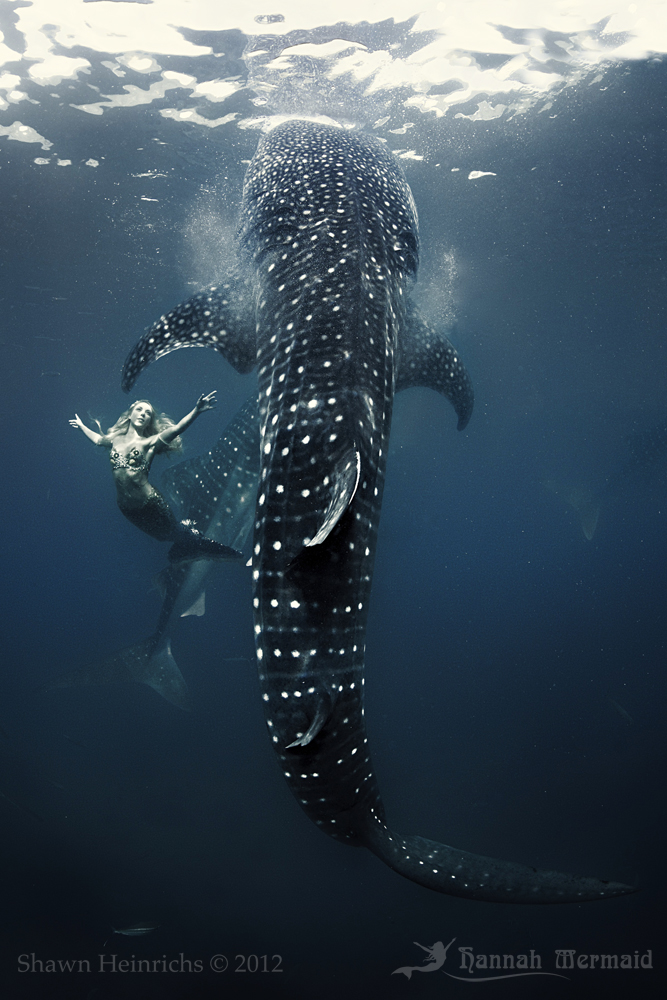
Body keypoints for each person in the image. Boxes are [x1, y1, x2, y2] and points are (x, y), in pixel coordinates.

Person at [70, 393, 242, 563]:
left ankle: (200, 541)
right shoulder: (115, 440)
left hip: (150, 504)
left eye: (148, 414)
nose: (143, 414)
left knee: (175, 532)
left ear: (149, 421)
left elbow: (177, 429)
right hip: (127, 509)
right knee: (162, 537)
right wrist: (81, 425)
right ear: (130, 414)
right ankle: (188, 540)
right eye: (139, 410)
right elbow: (99, 440)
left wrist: (196, 411)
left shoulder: (150, 443)